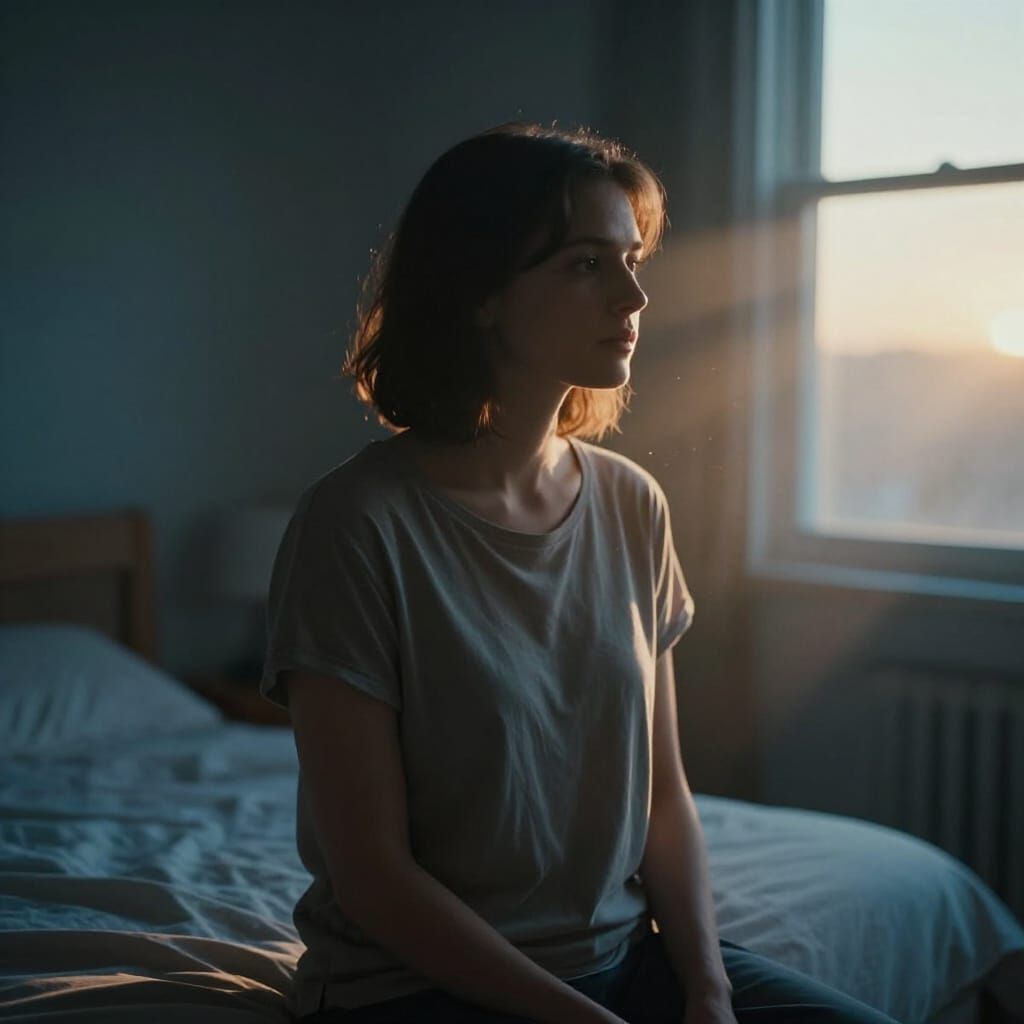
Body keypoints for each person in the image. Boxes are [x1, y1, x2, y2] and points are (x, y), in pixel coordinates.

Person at [260, 121, 900, 1024]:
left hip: (622, 960)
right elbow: (373, 879)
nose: (634, 296)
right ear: (481, 293)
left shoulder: (632, 503)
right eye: (585, 265)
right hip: (414, 986)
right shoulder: (357, 526)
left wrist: (708, 989)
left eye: (632, 259)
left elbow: (663, 798)